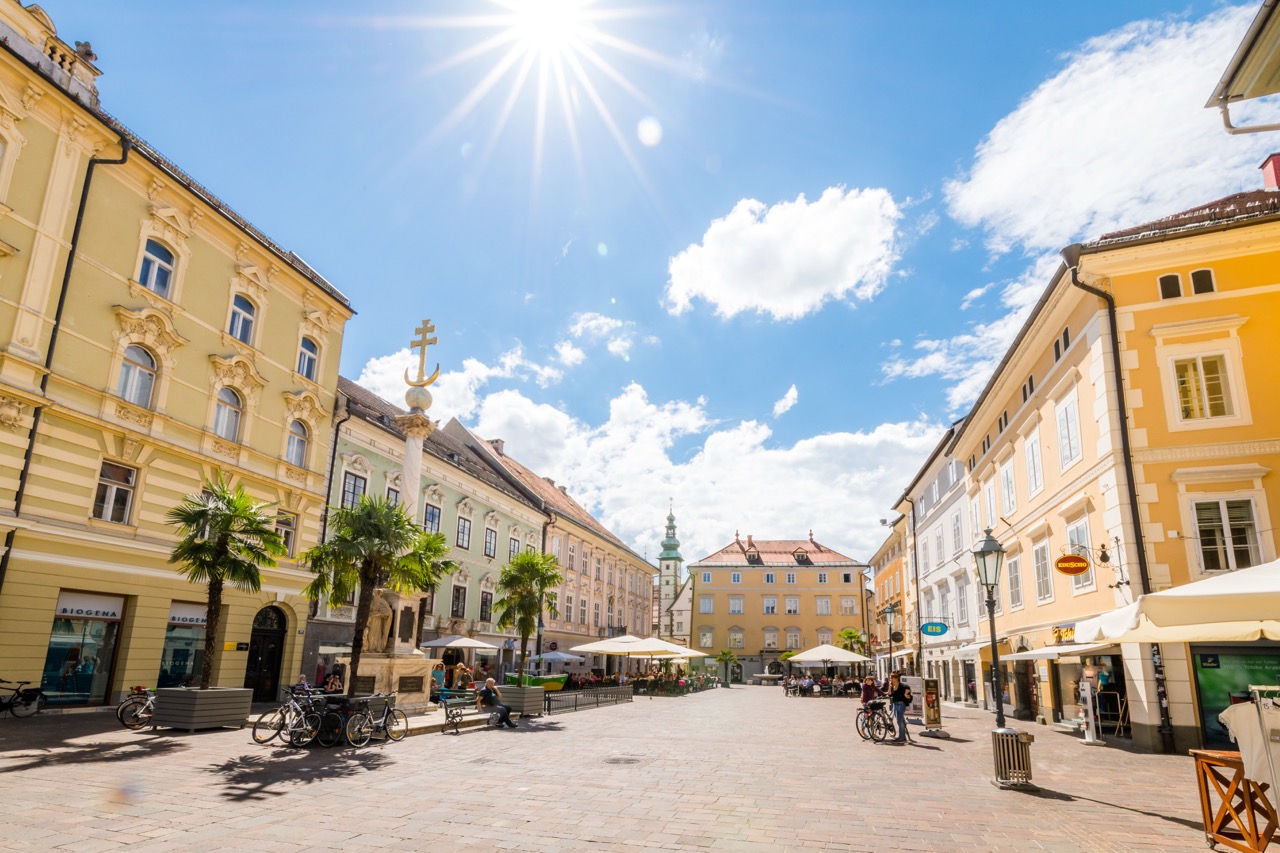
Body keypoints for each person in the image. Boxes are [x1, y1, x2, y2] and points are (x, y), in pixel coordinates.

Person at [889, 673, 913, 744]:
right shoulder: (893, 686)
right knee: (900, 721)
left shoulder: (902, 686)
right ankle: (902, 736)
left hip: (901, 704)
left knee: (899, 721)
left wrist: (906, 694)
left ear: (896, 678)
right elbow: (889, 694)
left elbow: (908, 688)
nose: (891, 679)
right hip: (895, 704)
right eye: (890, 678)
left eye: (891, 678)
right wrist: (890, 687)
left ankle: (902, 737)